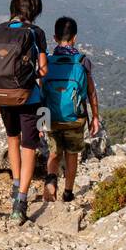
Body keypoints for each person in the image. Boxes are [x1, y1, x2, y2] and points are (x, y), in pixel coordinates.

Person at [0, 0, 48, 223]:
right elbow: (43, 69)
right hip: (28, 97)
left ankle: (14, 184)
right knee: (28, 146)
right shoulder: (35, 33)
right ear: (33, 11)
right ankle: (20, 201)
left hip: (1, 95)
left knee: (12, 139)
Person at [41, 16, 101, 202]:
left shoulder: (47, 62)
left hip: (51, 117)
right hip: (75, 119)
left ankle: (51, 184)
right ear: (75, 37)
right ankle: (68, 192)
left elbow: (40, 92)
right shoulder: (82, 62)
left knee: (54, 152)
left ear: (54, 37)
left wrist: (39, 122)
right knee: (72, 154)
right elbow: (91, 92)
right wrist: (95, 118)